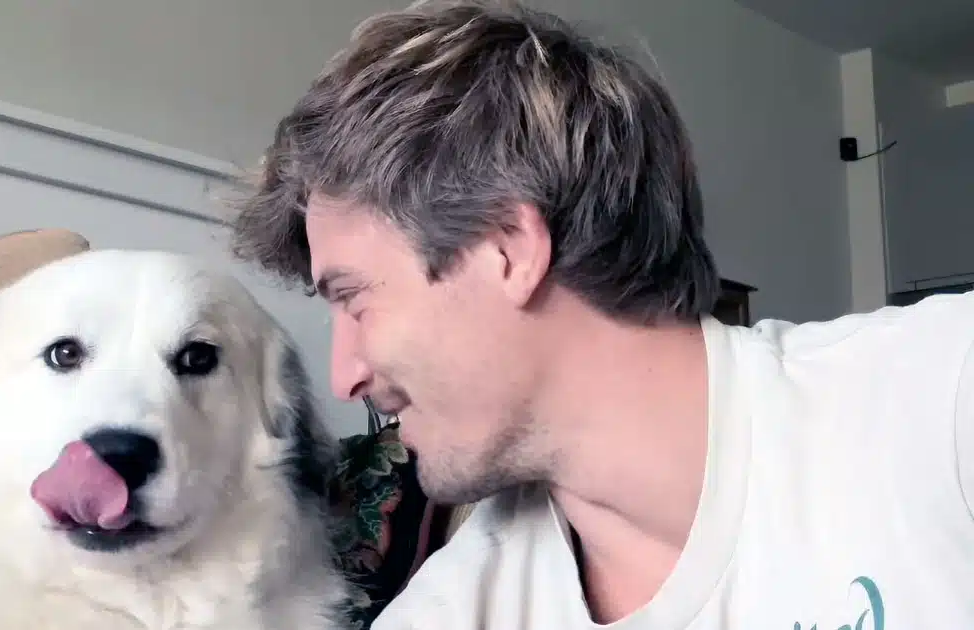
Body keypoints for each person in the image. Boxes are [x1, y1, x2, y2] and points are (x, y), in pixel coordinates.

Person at [229, 1, 974, 628]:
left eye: (354, 298)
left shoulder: (939, 397)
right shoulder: (456, 610)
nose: (345, 376)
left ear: (506, 247)